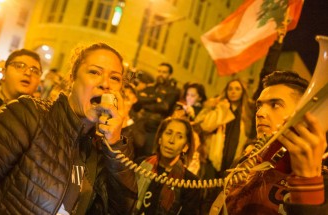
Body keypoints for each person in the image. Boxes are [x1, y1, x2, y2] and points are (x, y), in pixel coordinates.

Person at [0, 43, 137, 214]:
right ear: (72, 78)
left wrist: (115, 147)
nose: (105, 84)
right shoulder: (28, 114)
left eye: (115, 78)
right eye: (94, 72)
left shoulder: (104, 149)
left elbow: (120, 210)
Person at [221, 71, 327, 215]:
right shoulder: (245, 163)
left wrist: (307, 183)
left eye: (275, 104)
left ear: (304, 114)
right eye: (259, 106)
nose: (259, 113)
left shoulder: (322, 182)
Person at [134, 117, 201, 214]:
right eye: (168, 133)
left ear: (185, 147)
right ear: (160, 139)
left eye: (179, 136)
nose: (171, 140)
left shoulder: (191, 183)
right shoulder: (140, 164)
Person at [194, 79, 254, 176]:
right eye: (230, 89)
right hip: (212, 159)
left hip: (233, 161)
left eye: (237, 89)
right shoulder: (218, 106)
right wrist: (222, 108)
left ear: (243, 92)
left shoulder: (246, 114)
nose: (233, 92)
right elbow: (206, 126)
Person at [136, 63, 181, 157]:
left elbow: (164, 107)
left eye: (164, 72)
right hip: (140, 125)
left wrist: (147, 102)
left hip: (155, 128)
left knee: (146, 156)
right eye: (159, 71)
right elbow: (138, 99)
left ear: (170, 75)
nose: (160, 74)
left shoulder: (173, 91)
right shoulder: (151, 87)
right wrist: (155, 99)